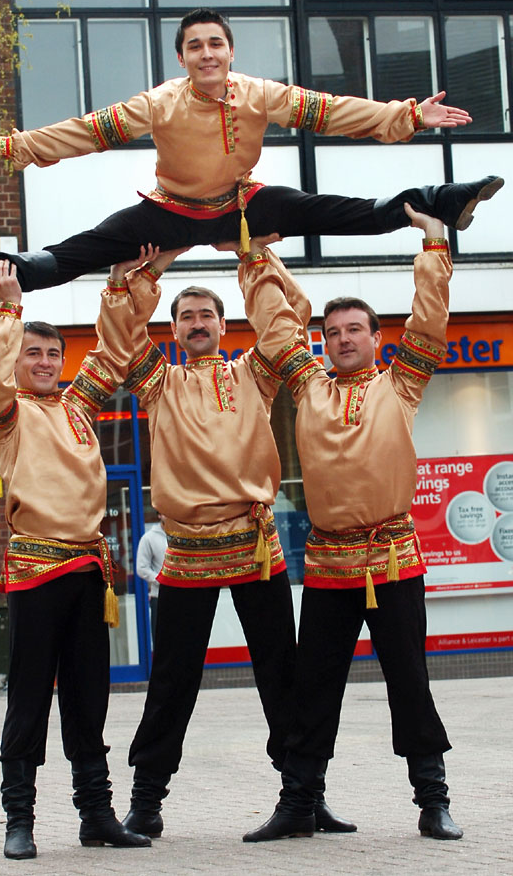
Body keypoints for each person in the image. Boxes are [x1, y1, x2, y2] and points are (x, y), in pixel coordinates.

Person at [0, 7, 502, 304]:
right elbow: (89, 131)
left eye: (214, 43)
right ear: (182, 59)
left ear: (229, 50)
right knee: (76, 253)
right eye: (194, 46)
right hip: (169, 209)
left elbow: (331, 111)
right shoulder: (160, 103)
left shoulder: (260, 94)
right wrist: (14, 146)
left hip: (240, 205)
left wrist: (407, 116)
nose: (206, 53)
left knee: (337, 211)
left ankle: (445, 200)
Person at [91, 242, 355, 840]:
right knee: (172, 681)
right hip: (186, 551)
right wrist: (135, 277)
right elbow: (118, 337)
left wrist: (256, 256)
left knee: (280, 674)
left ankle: (304, 797)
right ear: (176, 329)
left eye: (206, 314)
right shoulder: (158, 383)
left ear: (224, 322)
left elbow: (296, 308)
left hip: (254, 543)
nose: (197, 323)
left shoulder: (255, 374)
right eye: (186, 316)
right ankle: (147, 801)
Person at [232, 206, 466, 842]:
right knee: (314, 690)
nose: (341, 339)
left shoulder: (403, 383)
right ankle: (299, 803)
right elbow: (277, 328)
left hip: (394, 560)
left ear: (375, 338)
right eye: (332, 331)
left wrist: (435, 241)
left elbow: (430, 318)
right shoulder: (306, 385)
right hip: (331, 564)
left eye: (354, 329)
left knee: (410, 684)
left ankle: (433, 800)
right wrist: (251, 253)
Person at [0, 260, 152, 859]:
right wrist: (8, 308)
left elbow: (111, 353)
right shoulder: (7, 416)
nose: (46, 362)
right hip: (34, 571)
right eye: (34, 354)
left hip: (88, 570)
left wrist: (127, 285)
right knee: (29, 697)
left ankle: (96, 815)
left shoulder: (79, 406)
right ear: (17, 360)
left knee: (89, 697)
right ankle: (18, 819)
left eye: (53, 353)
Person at [135, 512, 165, 640]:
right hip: (159, 597)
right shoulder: (149, 538)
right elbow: (141, 568)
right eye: (164, 512)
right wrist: (160, 580)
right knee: (161, 641)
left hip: (182, 595)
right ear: (159, 515)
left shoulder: (181, 536)